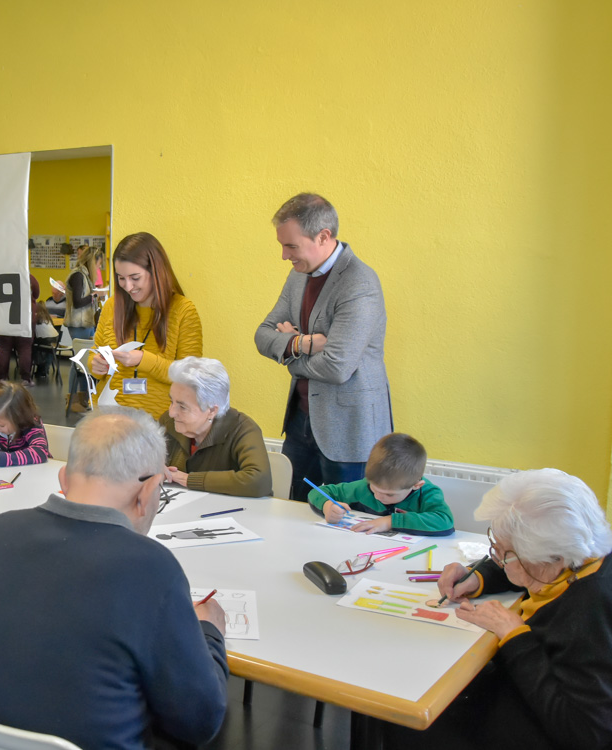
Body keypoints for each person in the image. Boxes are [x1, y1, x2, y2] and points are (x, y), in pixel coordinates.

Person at [0, 408, 229, 750]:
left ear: (64, 479)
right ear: (147, 492)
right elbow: (200, 720)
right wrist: (210, 633)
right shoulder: (151, 568)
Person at [386, 469, 612, 750]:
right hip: (522, 693)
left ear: (552, 559)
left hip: (540, 728)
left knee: (412, 715)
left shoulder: (590, 612)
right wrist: (477, 577)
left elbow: (587, 734)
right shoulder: (579, 556)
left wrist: (515, 635)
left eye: (505, 553)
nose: (497, 559)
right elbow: (522, 562)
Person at [254, 193, 391, 501]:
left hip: (348, 431)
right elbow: (262, 335)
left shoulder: (358, 282)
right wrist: (304, 343)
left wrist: (290, 355)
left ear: (324, 236)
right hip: (301, 424)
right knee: (296, 519)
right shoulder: (298, 275)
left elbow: (337, 366)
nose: (284, 256)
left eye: (291, 246)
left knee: (348, 527)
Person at [91, 232, 202, 419]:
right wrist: (95, 364)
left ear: (156, 272)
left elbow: (189, 376)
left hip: (160, 425)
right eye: (121, 278)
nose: (127, 286)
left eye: (135, 278)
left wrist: (143, 360)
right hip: (108, 421)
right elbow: (96, 351)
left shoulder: (183, 310)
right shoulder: (112, 306)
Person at [160, 356, 272, 498]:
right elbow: (143, 461)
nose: (171, 412)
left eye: (182, 406)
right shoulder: (168, 422)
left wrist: (189, 479)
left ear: (212, 410)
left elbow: (259, 481)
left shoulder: (242, 428)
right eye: (172, 401)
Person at [306, 433, 453, 535]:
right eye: (374, 489)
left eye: (389, 494)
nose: (377, 497)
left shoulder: (427, 493)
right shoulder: (363, 487)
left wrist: (389, 522)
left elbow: (444, 521)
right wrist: (327, 506)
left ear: (416, 485)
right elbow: (317, 492)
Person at [65, 245, 102, 412]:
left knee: (84, 363)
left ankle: (81, 399)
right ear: (92, 261)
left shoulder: (85, 276)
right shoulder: (78, 276)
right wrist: (95, 295)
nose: (99, 268)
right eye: (99, 264)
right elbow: (79, 302)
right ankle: (72, 399)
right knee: (77, 362)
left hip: (86, 323)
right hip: (78, 324)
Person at [0, 274, 40, 386]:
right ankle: (26, 379)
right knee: (25, 347)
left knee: (4, 347)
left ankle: (2, 378)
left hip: (6, 315)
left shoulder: (2, 275)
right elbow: (36, 293)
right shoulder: (27, 275)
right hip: (25, 315)